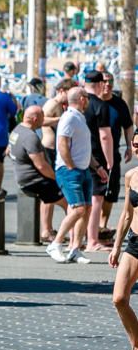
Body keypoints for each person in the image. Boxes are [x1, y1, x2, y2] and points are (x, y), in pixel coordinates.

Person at [48, 87, 108, 264]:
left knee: (86, 209)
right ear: (82, 99)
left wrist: (97, 168)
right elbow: (62, 144)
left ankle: (75, 248)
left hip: (83, 169)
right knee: (78, 209)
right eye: (87, 98)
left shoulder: (79, 117)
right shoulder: (69, 117)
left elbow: (83, 149)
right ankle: (56, 243)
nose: (89, 101)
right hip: (70, 170)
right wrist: (70, 166)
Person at [8, 106, 68, 239]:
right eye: (42, 117)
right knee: (70, 203)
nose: (44, 121)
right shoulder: (30, 137)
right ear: (35, 119)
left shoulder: (17, 131)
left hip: (22, 177)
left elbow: (8, 151)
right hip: (34, 180)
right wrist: (56, 178)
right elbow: (41, 166)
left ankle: (46, 231)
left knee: (49, 198)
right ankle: (75, 238)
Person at [108, 134, 138, 350]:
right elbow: (127, 214)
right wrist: (117, 246)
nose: (136, 148)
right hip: (134, 243)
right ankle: (137, 347)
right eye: (135, 144)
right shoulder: (131, 176)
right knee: (119, 298)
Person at [41, 79, 75, 240]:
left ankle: (48, 229)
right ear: (62, 91)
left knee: (50, 192)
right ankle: (46, 229)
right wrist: (60, 120)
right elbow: (41, 119)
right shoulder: (52, 104)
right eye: (69, 93)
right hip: (48, 148)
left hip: (53, 148)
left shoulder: (59, 106)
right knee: (49, 191)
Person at [82, 70, 113, 251]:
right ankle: (92, 240)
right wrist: (109, 162)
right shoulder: (100, 105)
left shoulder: (78, 101)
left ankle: (77, 239)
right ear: (101, 84)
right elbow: (105, 136)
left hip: (78, 156)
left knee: (79, 201)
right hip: (96, 157)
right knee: (96, 200)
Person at [100, 72, 134, 232]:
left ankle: (103, 225)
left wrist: (129, 146)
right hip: (93, 154)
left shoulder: (119, 104)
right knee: (93, 193)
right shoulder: (92, 102)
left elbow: (128, 126)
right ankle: (91, 229)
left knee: (111, 192)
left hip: (113, 154)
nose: (108, 85)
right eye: (105, 81)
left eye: (110, 82)